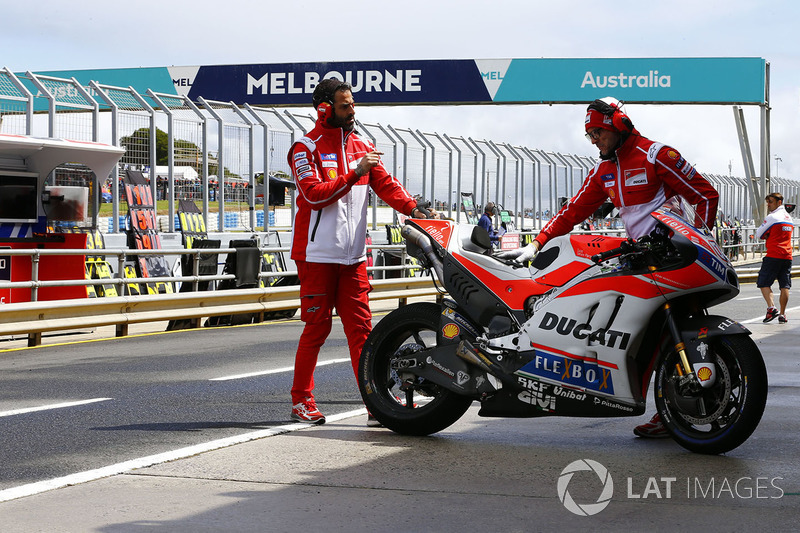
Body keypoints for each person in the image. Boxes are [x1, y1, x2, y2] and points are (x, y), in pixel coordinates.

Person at [499, 96, 719, 439]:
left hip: (675, 254)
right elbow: (572, 212)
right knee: (645, 336)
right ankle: (667, 410)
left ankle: (682, 404)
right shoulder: (603, 171)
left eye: (598, 132)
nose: (594, 140)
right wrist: (537, 243)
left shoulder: (658, 154)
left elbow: (705, 196)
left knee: (681, 330)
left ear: (619, 125)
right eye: (590, 135)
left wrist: (699, 244)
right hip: (640, 261)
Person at [287, 78, 438, 426]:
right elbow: (314, 195)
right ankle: (301, 400)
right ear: (325, 108)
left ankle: (377, 403)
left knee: (364, 333)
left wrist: (413, 208)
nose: (352, 110)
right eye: (345, 105)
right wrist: (356, 172)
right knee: (316, 329)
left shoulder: (361, 144)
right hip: (316, 256)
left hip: (353, 257)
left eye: (353, 104)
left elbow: (385, 183)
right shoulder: (304, 148)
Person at [756, 192, 795, 323]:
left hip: (773, 255)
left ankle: (771, 308)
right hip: (787, 256)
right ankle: (783, 314)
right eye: (768, 202)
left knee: (763, 282)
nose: (768, 205)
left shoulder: (772, 217)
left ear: (779, 202)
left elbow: (758, 233)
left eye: (770, 202)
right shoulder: (789, 218)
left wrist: (767, 235)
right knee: (785, 285)